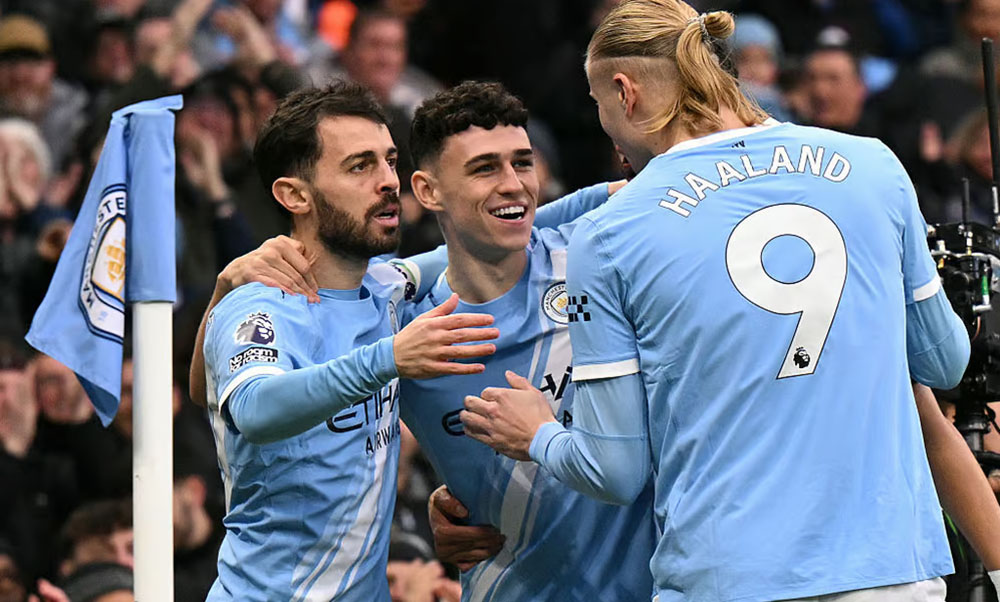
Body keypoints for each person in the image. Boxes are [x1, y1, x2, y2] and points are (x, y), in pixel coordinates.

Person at [459, 2, 978, 601]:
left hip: (726, 579)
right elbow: (945, 362)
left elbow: (614, 470)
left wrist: (538, 434)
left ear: (625, 93)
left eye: (599, 105)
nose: (606, 129)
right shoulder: (874, 165)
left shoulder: (606, 237)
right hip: (888, 573)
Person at [199, 81, 499, 601]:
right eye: (360, 166)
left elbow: (479, 244)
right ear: (295, 196)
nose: (388, 182)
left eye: (389, 161)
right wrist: (390, 358)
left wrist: (610, 196)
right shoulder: (259, 305)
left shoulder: (385, 284)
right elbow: (254, 409)